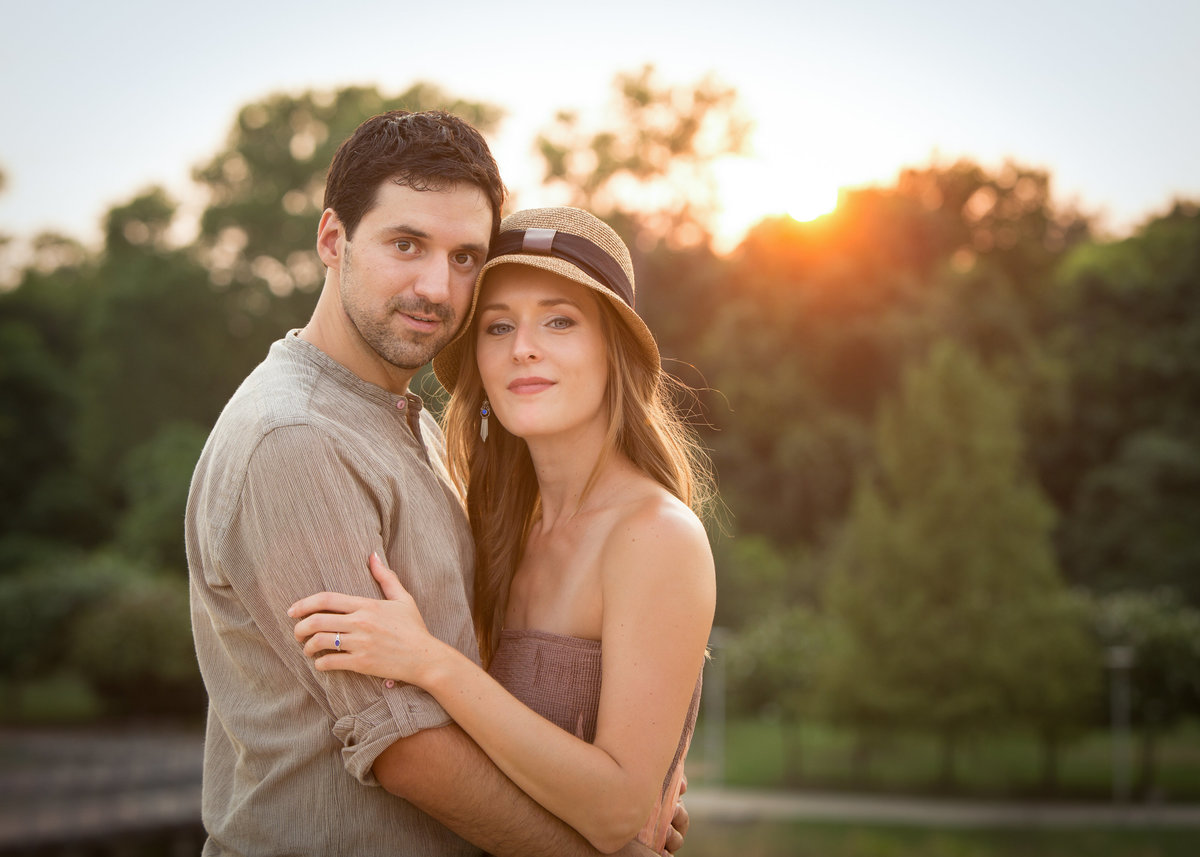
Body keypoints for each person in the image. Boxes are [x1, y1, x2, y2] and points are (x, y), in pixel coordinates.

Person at [186, 111, 677, 857]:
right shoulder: (298, 437)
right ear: (332, 240)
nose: (435, 286)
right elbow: (407, 750)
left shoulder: (402, 422)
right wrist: (607, 847)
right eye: (406, 244)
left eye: (464, 257)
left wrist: (615, 786)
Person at [287, 207, 717, 853]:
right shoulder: (495, 530)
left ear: (614, 351)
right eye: (498, 325)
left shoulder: (656, 536)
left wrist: (432, 663)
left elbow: (617, 813)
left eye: (560, 320)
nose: (524, 347)